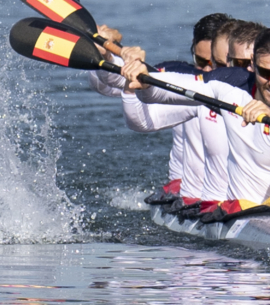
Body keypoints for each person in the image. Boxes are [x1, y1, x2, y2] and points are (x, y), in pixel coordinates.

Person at [121, 28, 270, 211]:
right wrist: (145, 79)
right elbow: (166, 91)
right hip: (236, 214)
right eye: (266, 73)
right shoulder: (230, 84)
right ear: (253, 64)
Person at [88, 14, 233, 203]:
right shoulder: (183, 77)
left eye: (216, 64)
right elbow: (107, 84)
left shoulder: (252, 85)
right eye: (201, 61)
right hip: (190, 196)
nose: (207, 71)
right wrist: (105, 53)